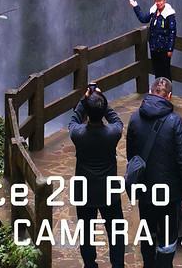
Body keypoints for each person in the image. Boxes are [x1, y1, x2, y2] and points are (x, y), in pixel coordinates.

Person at [126, 76, 182, 268]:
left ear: (150, 91)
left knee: (147, 230)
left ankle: (149, 264)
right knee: (167, 236)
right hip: (168, 192)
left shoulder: (134, 118)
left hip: (144, 189)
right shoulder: (175, 122)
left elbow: (132, 157)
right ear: (169, 96)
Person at [69, 86, 127, 268]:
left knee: (86, 232)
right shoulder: (113, 133)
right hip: (108, 191)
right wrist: (102, 100)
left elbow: (73, 120)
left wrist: (83, 102)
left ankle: (90, 264)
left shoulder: (78, 134)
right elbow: (116, 120)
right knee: (116, 232)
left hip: (84, 191)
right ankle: (117, 264)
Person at [130, 0, 177, 81]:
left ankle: (167, 93)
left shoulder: (169, 14)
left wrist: (170, 49)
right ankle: (158, 93)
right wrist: (136, 7)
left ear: (165, 0)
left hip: (164, 47)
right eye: (156, 1)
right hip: (154, 47)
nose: (158, 3)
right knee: (157, 72)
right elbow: (144, 19)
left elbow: (172, 32)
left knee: (165, 72)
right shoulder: (153, 10)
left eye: (160, 1)